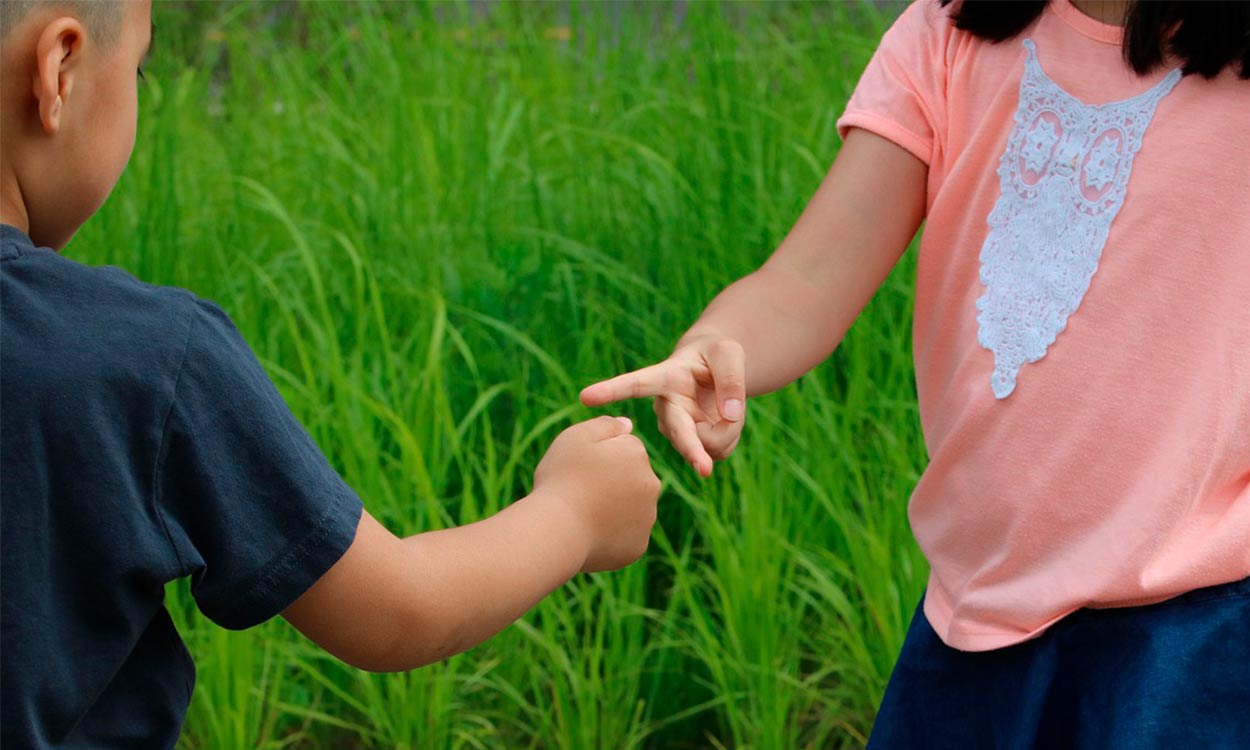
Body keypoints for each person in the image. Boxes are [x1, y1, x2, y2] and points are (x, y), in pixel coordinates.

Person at [581, 0, 1250, 745]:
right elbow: (806, 282)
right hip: (973, 621)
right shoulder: (950, 33)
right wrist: (717, 342)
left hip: (1201, 635)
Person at [0, 1, 661, 747]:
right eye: (141, 69)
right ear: (58, 68)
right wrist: (575, 512)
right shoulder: (141, 358)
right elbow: (399, 611)